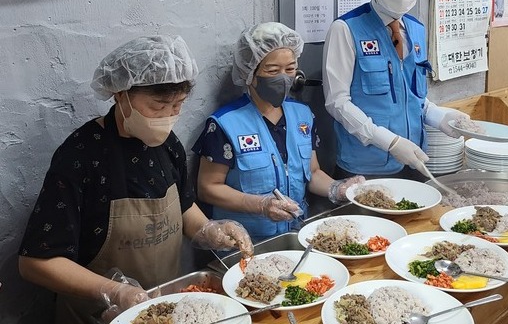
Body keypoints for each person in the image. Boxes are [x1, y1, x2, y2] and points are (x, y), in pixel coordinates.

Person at [18, 35, 254, 323]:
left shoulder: (168, 145)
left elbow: (182, 206)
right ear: (121, 94)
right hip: (96, 315)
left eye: (178, 105)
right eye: (157, 106)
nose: (168, 117)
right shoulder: (80, 156)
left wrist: (209, 229)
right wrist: (113, 291)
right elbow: (35, 262)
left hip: (161, 311)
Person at [193, 22, 364, 242]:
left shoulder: (302, 115)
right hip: (245, 241)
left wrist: (337, 189)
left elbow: (312, 173)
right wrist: (261, 205)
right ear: (250, 73)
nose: (283, 78)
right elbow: (208, 188)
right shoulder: (225, 124)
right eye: (272, 71)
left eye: (290, 69)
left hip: (296, 233)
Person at [322, 0, 470, 182]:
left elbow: (413, 97)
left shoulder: (416, 29)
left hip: (414, 159)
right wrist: (389, 142)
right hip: (364, 167)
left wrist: (439, 116)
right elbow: (337, 103)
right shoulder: (346, 29)